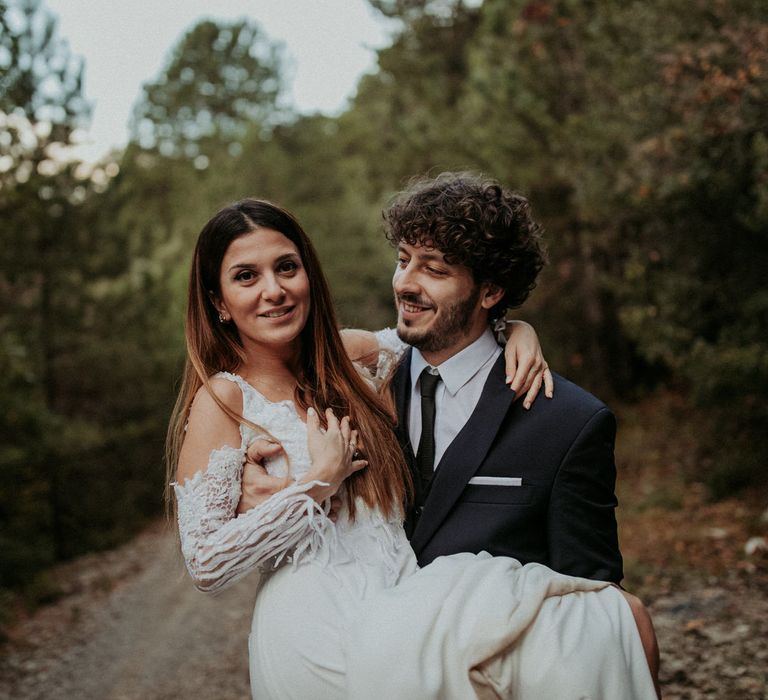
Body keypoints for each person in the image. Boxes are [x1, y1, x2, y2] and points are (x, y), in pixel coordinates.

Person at [169, 196, 659, 699]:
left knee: (616, 620)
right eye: (246, 277)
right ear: (219, 302)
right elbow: (206, 563)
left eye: (287, 267)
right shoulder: (223, 400)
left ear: (308, 275)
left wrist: (516, 329)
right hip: (311, 624)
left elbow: (441, 334)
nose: (274, 290)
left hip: (402, 604)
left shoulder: (352, 360)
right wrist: (316, 483)